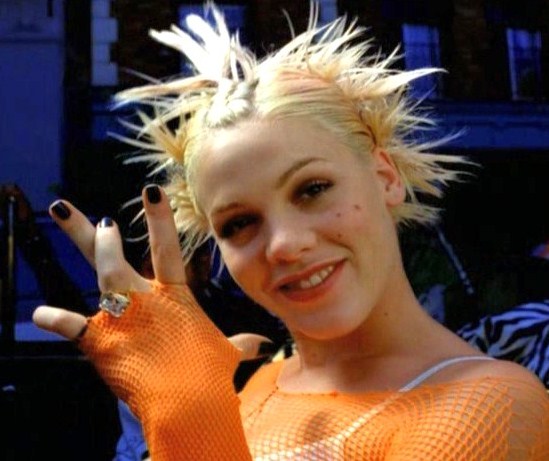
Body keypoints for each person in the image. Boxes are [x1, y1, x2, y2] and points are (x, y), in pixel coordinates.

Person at [33, 2, 549, 460]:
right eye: (239, 223)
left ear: (385, 177)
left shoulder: (490, 403)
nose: (284, 244)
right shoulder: (258, 385)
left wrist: (188, 418)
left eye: (312, 189)